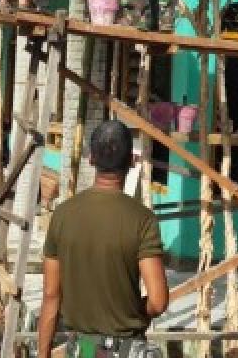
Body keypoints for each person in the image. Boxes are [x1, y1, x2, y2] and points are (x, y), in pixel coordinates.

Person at [38, 120, 168, 358]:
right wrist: (133, 312)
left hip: (84, 350)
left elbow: (50, 295)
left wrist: (43, 353)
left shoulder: (63, 215)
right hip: (126, 349)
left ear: (91, 159)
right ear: (131, 161)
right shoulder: (143, 220)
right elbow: (158, 302)